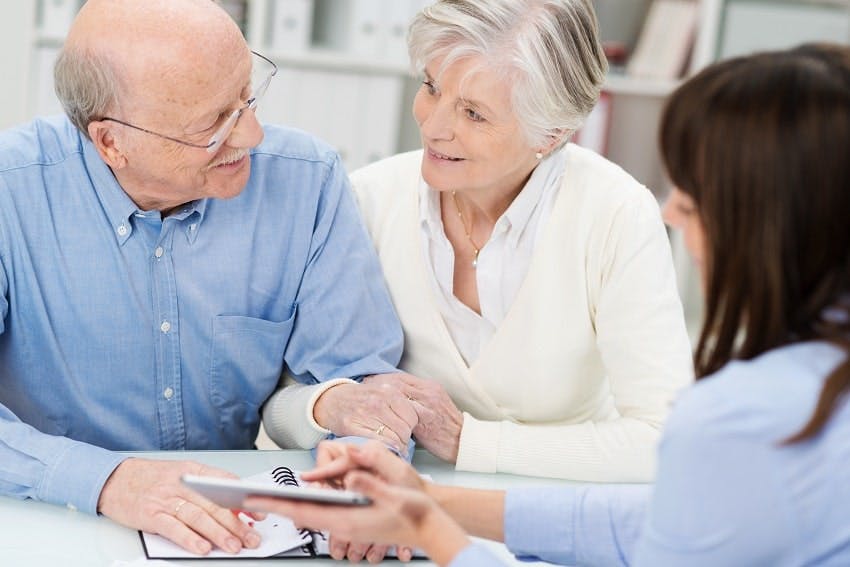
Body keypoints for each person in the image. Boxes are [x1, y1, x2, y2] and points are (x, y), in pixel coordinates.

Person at [246, 43, 850, 565]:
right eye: (431, 86)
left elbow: (669, 497)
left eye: (694, 195)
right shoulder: (804, 392)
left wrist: (453, 477)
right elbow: (668, 524)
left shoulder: (741, 420)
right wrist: (426, 505)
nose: (672, 210)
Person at [0, 0, 420, 556]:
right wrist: (108, 480)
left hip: (233, 538)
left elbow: (359, 379)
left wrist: (368, 469)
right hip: (49, 526)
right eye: (213, 124)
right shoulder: (11, 191)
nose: (252, 134)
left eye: (246, 97)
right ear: (110, 142)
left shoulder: (307, 181)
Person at [265, 0, 692, 482]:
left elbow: (666, 440)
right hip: (400, 509)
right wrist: (331, 406)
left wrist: (467, 440)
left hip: (554, 511)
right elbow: (279, 409)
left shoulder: (614, 213)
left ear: (550, 133)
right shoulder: (369, 198)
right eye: (431, 87)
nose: (433, 126)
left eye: (473, 113)